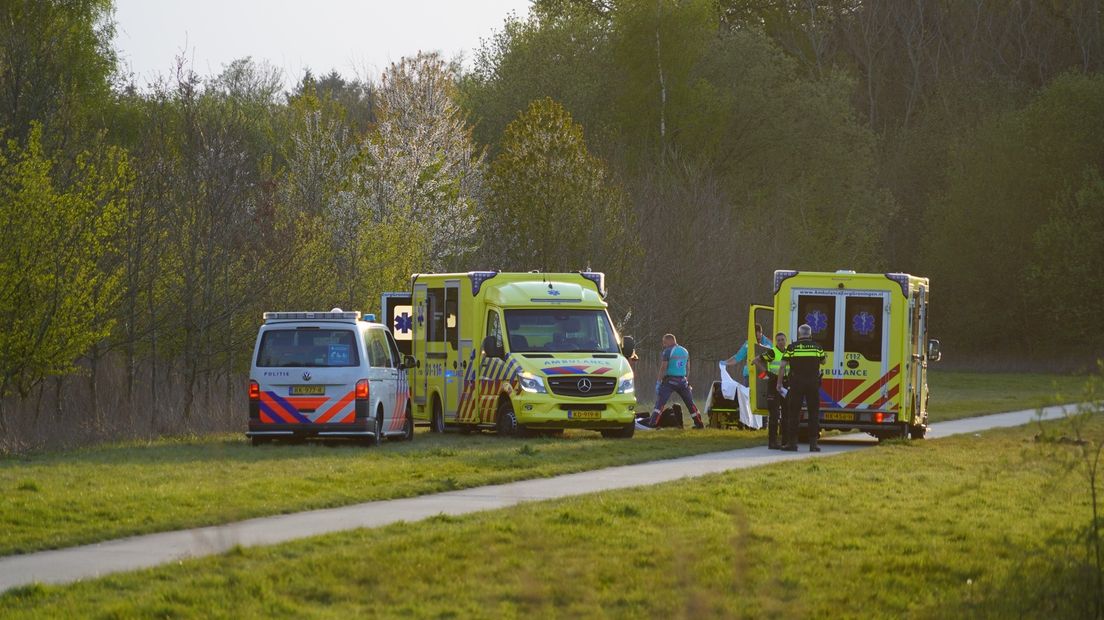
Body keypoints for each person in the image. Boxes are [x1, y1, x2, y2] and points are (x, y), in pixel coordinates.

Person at [777, 324, 826, 452]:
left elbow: (782, 366)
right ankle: (813, 444)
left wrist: (779, 383)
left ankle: (792, 444)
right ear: (810, 334)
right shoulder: (817, 347)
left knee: (793, 413)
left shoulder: (792, 348)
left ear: (799, 335)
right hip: (813, 383)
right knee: (813, 413)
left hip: (796, 383)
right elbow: (823, 361)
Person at [649, 333, 705, 429]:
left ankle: (653, 424)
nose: (664, 345)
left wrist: (658, 382)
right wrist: (686, 380)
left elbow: (663, 368)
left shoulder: (668, 351)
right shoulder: (685, 351)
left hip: (669, 381)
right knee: (690, 404)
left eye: (664, 342)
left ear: (670, 340)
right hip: (682, 381)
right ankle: (699, 424)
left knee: (660, 403)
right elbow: (688, 368)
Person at [753, 331, 789, 449]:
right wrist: (766, 372)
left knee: (786, 414)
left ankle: (785, 441)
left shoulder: (789, 352)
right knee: (774, 415)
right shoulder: (772, 352)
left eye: (782, 339)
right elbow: (756, 360)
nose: (780, 342)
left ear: (786, 341)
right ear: (775, 342)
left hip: (785, 384)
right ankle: (772, 442)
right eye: (778, 340)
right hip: (773, 384)